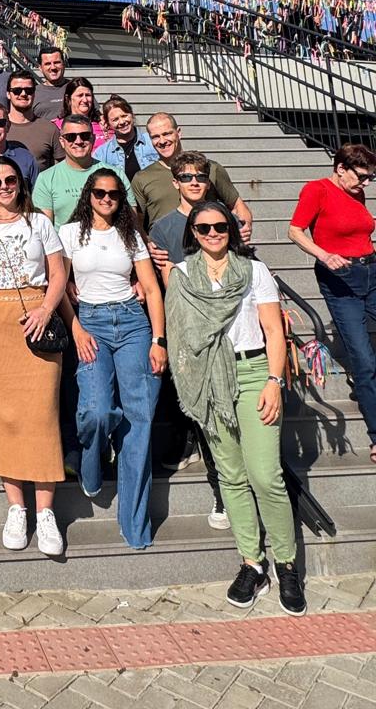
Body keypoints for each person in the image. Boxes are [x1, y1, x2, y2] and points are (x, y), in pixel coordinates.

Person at [168, 201, 306, 615]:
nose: (213, 233)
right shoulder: (181, 275)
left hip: (253, 372)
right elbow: (180, 335)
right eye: (204, 228)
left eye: (220, 226)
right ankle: (252, 563)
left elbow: (273, 330)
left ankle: (287, 564)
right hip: (210, 379)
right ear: (193, 233)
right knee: (231, 476)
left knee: (265, 475)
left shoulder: (254, 270)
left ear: (231, 229)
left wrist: (274, 381)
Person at [0, 156, 68, 556]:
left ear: (20, 183)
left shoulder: (40, 223)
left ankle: (46, 512)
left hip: (36, 319)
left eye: (10, 180)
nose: (4, 187)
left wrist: (46, 309)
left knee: (42, 416)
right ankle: (17, 508)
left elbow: (58, 273)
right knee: (3, 418)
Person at [57, 169, 167, 550]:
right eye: (100, 193)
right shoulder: (70, 233)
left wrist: (158, 339)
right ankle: (91, 462)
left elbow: (151, 288)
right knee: (96, 411)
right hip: (90, 322)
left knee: (140, 420)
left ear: (121, 199)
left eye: (114, 194)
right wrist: (76, 329)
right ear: (89, 195)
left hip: (133, 323)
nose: (107, 199)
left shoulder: (130, 234)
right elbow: (60, 287)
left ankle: (135, 524)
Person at [147, 151, 231, 524]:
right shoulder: (163, 228)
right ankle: (220, 491)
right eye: (186, 177)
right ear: (175, 182)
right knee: (203, 408)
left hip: (226, 325)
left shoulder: (223, 220)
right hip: (187, 326)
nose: (194, 182)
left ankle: (230, 488)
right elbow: (165, 281)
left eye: (200, 176)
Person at [288, 143, 376, 465]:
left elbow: (355, 231)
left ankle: (364, 387)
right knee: (363, 359)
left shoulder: (356, 193)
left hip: (371, 270)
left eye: (370, 178)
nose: (366, 183)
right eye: (362, 176)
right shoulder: (317, 190)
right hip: (340, 278)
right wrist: (324, 255)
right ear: (340, 168)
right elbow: (294, 231)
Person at [131, 113, 253, 237]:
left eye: (167, 134)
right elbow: (137, 222)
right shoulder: (142, 178)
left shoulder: (210, 169)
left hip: (208, 242)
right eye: (155, 137)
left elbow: (237, 205)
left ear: (179, 133)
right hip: (166, 246)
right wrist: (147, 243)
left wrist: (243, 230)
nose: (162, 141)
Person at [33, 115, 134, 229]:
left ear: (93, 138)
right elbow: (44, 229)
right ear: (62, 141)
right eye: (71, 137)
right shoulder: (46, 179)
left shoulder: (116, 175)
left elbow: (131, 221)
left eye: (85, 136)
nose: (78, 141)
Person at [93, 95, 157, 180]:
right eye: (115, 120)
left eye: (124, 116)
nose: (122, 122)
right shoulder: (102, 153)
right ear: (108, 123)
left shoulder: (152, 141)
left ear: (132, 115)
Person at [4, 71, 56, 170]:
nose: (23, 94)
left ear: (34, 93)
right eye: (17, 90)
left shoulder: (50, 129)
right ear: (8, 94)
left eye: (29, 90)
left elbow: (59, 169)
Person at [53, 78, 110, 150]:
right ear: (68, 99)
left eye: (88, 95)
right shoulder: (56, 127)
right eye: (80, 95)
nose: (85, 100)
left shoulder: (104, 124)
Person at [32, 46, 69, 122]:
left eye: (57, 62)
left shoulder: (77, 88)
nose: (53, 67)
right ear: (40, 68)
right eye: (47, 64)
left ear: (64, 64)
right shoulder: (32, 93)